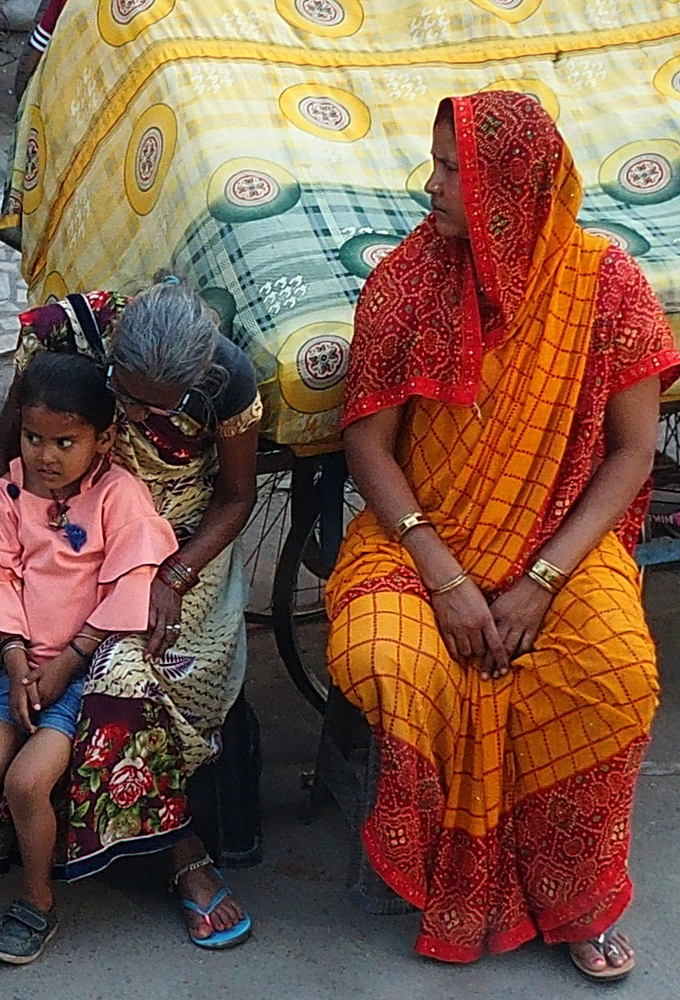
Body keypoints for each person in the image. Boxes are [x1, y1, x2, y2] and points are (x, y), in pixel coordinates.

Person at [326, 90, 680, 982]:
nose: (432, 186)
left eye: (453, 171)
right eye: (437, 163)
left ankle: (581, 893)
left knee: (616, 674)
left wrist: (544, 580)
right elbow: (366, 440)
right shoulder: (405, 283)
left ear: (514, 189)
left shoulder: (607, 287)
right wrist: (442, 574)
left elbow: (636, 452)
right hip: (418, 539)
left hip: (559, 541)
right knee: (387, 662)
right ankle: (445, 870)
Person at [0, 281, 260, 950]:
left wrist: (171, 575)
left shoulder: (226, 381)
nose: (144, 422)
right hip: (39, 535)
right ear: (112, 356)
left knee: (144, 670)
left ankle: (177, 845)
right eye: (133, 401)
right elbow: (5, 448)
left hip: (169, 545)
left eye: (162, 409)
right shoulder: (64, 335)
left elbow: (234, 498)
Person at [0, 351, 178, 987]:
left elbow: (131, 588)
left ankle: (38, 901)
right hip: (21, 667)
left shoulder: (120, 498)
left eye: (65, 442)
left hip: (81, 677)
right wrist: (18, 658)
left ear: (104, 440)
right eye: (33, 438)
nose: (46, 456)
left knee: (26, 784)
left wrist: (64, 665)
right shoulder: (12, 492)